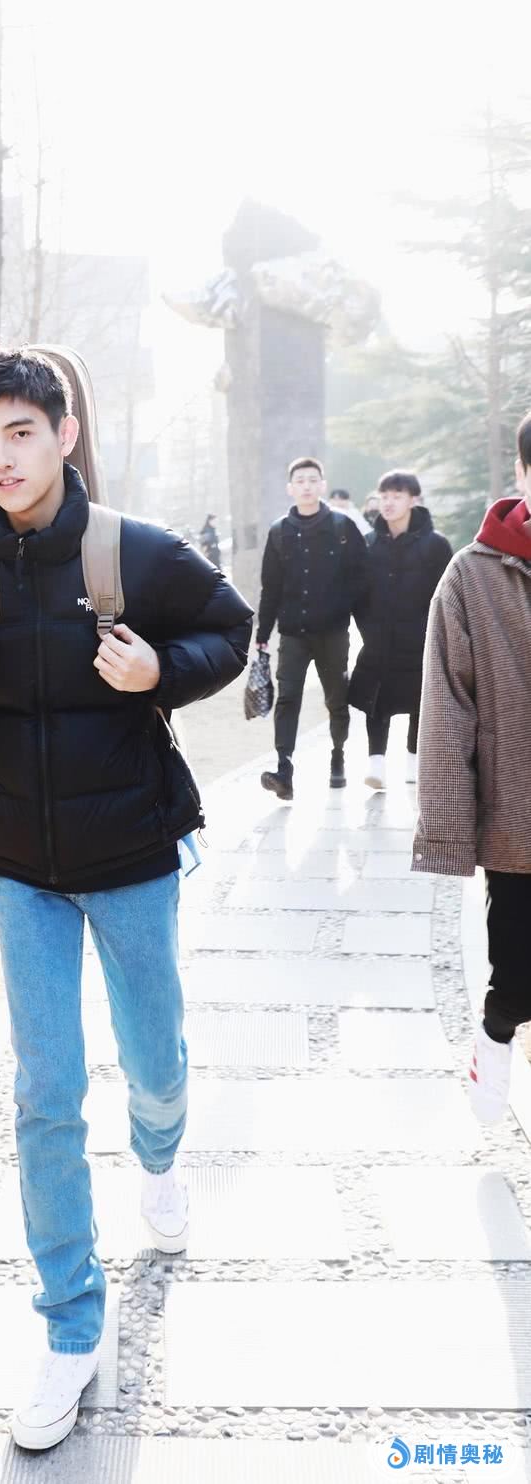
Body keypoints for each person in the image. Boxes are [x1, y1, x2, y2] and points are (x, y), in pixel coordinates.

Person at [0, 347, 252, 1451]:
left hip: (132, 851)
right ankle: (68, 1326)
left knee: (153, 1058)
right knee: (44, 1092)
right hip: (17, 862)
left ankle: (161, 1157)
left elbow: (231, 629)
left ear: (64, 434)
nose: (2, 459)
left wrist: (160, 672)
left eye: (20, 434)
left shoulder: (136, 550)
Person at [414, 413, 531, 1126]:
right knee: (517, 976)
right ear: (521, 474)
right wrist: (451, 830)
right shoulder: (473, 574)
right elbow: (446, 709)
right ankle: (495, 1035)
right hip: (517, 815)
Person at [256, 457, 369, 800]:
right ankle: (284, 769)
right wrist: (262, 636)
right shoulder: (279, 532)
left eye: (312, 480)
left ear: (322, 485)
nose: (306, 486)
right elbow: (270, 588)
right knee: (287, 698)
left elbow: (361, 578)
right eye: (300, 481)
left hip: (332, 633)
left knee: (336, 698)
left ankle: (338, 755)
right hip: (292, 634)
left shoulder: (342, 527)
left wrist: (357, 621)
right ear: (290, 488)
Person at [348, 471, 452, 791]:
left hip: (421, 639)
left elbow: (446, 594)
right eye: (384, 496)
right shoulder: (368, 544)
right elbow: (357, 593)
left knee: (420, 699)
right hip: (378, 638)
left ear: (413, 500)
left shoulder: (435, 545)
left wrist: (432, 632)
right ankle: (375, 762)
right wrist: (369, 628)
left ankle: (413, 759)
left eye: (397, 496)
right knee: (376, 698)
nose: (389, 503)